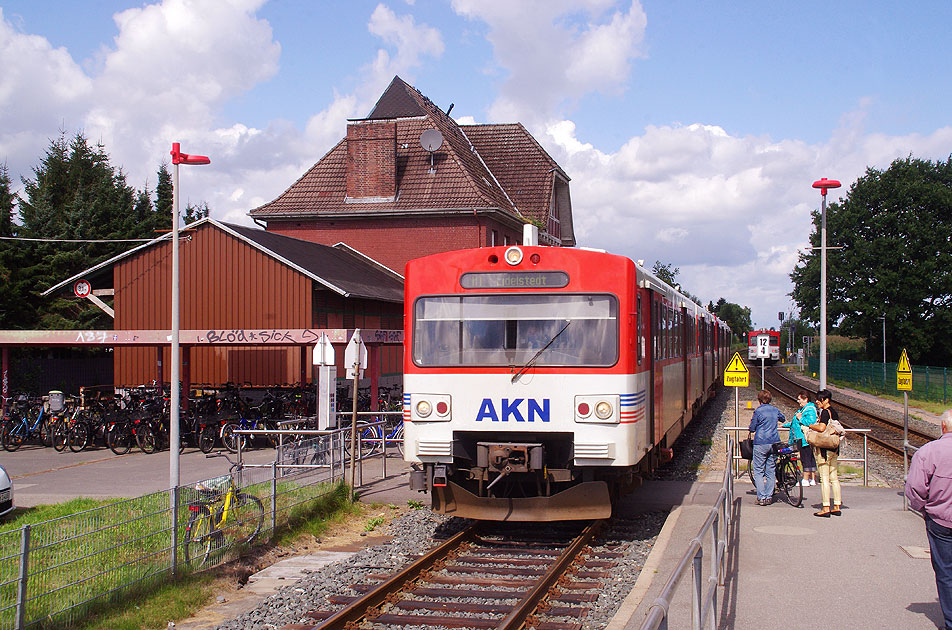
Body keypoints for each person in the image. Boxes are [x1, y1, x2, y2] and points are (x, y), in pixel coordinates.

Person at [905, 410, 952, 630]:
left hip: (940, 521)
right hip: (939, 518)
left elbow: (914, 488)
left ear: (943, 427)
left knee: (945, 572)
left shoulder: (928, 452)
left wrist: (923, 509)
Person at [747, 389, 784, 505]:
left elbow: (752, 428)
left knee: (758, 471)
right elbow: (782, 418)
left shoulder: (758, 411)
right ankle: (769, 496)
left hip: (761, 443)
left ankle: (762, 497)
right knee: (770, 470)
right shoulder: (774, 410)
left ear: (759, 400)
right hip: (774, 442)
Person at [811, 389, 843, 517]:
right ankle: (837, 505)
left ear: (826, 400)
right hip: (834, 448)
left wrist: (811, 426)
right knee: (834, 478)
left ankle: (825, 507)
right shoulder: (834, 412)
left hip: (824, 449)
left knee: (824, 478)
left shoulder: (825, 412)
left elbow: (822, 428)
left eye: (820, 400)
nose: (817, 402)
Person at [789, 390, 819, 486]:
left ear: (805, 399)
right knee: (809, 457)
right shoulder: (804, 409)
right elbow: (795, 423)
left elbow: (810, 422)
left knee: (805, 457)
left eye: (799, 399)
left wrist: (800, 418)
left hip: (804, 438)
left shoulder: (809, 409)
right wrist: (786, 425)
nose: (798, 401)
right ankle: (812, 479)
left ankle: (806, 479)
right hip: (802, 437)